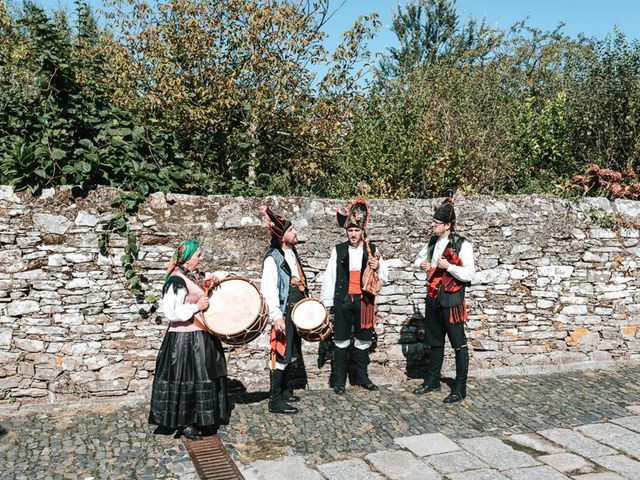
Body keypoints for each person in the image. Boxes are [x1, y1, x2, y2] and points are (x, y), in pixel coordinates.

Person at [149, 240, 229, 440]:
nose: (201, 258)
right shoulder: (176, 280)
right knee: (186, 381)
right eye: (198, 255)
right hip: (183, 340)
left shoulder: (192, 276)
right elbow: (171, 312)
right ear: (187, 257)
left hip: (200, 335)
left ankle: (202, 418)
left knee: (203, 378)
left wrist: (218, 277)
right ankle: (186, 423)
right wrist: (196, 307)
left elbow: (206, 281)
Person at [320, 198, 389, 395]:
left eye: (356, 230)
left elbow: (385, 276)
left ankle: (362, 377)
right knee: (340, 339)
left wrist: (377, 267)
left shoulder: (372, 249)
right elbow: (330, 276)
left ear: (362, 231)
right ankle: (339, 381)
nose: (353, 234)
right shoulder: (338, 250)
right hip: (343, 301)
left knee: (363, 339)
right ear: (346, 231)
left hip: (364, 301)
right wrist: (327, 303)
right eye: (350, 230)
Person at [413, 193, 476, 403]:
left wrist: (448, 266)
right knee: (435, 341)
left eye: (436, 223)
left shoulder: (462, 245)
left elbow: (469, 274)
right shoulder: (432, 242)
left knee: (458, 343)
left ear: (447, 225)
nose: (432, 226)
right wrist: (423, 265)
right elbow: (418, 260)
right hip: (432, 296)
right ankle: (432, 381)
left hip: (452, 300)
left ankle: (460, 387)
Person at [260, 205, 309, 414]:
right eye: (291, 230)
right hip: (284, 311)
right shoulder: (273, 258)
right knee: (280, 352)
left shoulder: (292, 252)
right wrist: (276, 316)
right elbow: (269, 289)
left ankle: (286, 389)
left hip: (296, 309)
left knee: (292, 351)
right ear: (282, 236)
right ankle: (275, 400)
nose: (295, 232)